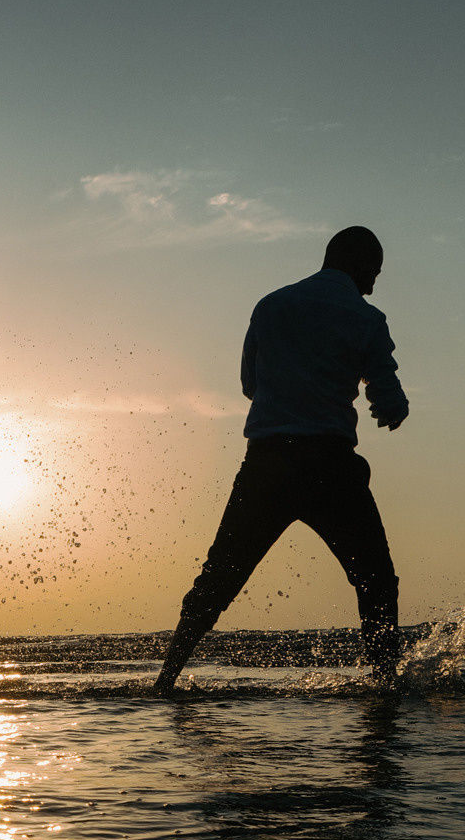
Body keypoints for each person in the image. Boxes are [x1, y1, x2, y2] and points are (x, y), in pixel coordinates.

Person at [153, 227, 410, 694]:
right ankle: (384, 685)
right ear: (357, 264)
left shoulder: (271, 306)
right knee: (375, 581)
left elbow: (250, 384)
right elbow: (388, 399)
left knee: (217, 579)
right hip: (331, 467)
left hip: (267, 464)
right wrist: (391, 408)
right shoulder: (367, 318)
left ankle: (165, 679)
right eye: (372, 272)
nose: (372, 283)